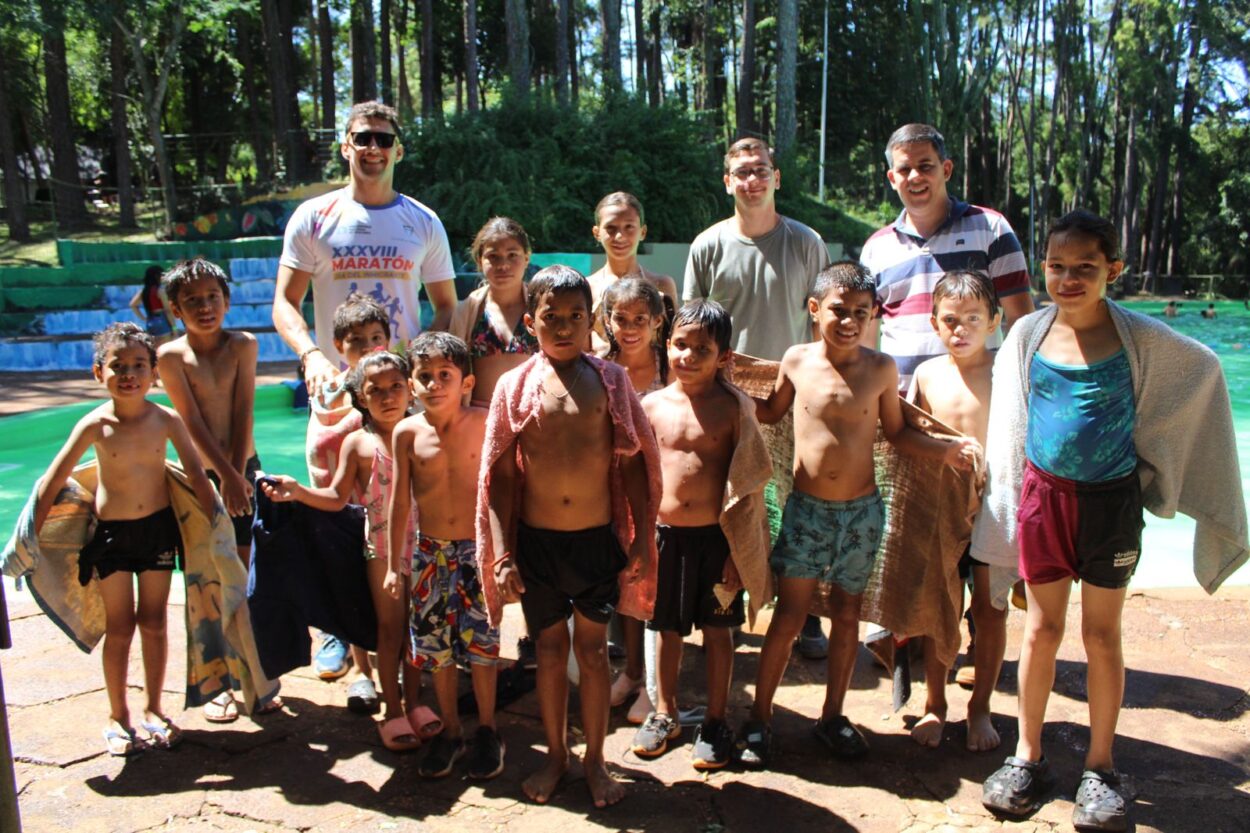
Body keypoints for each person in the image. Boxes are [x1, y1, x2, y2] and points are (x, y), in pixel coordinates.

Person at [976, 210, 1248, 831]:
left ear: (1113, 272)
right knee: (1041, 630)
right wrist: (1005, 507)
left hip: (1111, 508)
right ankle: (1028, 756)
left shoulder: (1140, 340)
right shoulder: (1027, 337)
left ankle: (1100, 767)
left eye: (1085, 269)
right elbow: (1011, 429)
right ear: (1042, 267)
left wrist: (1161, 464)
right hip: (1045, 502)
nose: (1068, 279)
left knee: (1102, 636)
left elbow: (1202, 369)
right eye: (1057, 267)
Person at [737, 262, 978, 769]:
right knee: (790, 614)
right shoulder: (797, 361)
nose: (849, 321)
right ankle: (760, 718)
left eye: (861, 314)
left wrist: (944, 451)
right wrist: (726, 391)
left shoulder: (881, 368)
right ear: (814, 309)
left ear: (874, 316)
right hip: (806, 513)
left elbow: (896, 433)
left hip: (863, 515)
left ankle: (833, 716)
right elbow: (771, 414)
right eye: (838, 311)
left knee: (848, 614)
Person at [477, 265, 661, 807]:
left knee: (594, 654)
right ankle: (557, 755)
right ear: (530, 322)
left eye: (575, 317)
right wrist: (502, 552)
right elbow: (499, 475)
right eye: (550, 317)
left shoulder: (610, 381)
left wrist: (643, 538)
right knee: (550, 653)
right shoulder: (516, 386)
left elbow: (633, 463)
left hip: (595, 544)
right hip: (538, 547)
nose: (563, 327)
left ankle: (596, 760)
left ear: (592, 321)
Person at [33, 323, 219, 756]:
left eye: (139, 365)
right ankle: (118, 716)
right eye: (119, 365)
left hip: (157, 533)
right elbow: (55, 479)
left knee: (153, 622)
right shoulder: (94, 424)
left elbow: (194, 473)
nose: (129, 373)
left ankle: (154, 708)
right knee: (120, 628)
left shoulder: (165, 419)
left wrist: (214, 528)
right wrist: (31, 538)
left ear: (154, 373)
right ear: (99, 372)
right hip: (111, 538)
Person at [684, 137, 833, 658]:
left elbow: (823, 324)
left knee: (798, 501)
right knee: (731, 500)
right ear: (727, 182)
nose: (752, 180)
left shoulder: (807, 242)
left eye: (761, 170)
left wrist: (818, 389)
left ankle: (806, 613)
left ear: (777, 178)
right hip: (727, 393)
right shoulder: (707, 245)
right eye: (741, 172)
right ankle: (726, 603)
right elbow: (692, 326)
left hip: (792, 392)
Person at [260, 350, 434, 752]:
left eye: (396, 387)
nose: (388, 397)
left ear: (410, 389)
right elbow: (338, 498)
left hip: (427, 545)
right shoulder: (358, 443)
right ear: (359, 397)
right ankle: (392, 710)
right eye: (376, 391)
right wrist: (299, 492)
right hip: (383, 551)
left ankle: (416, 702)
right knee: (391, 630)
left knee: (418, 630)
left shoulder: (424, 431)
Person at [631, 299, 772, 770]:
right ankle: (665, 714)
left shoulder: (734, 409)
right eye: (680, 345)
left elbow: (749, 484)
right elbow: (636, 475)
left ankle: (714, 721)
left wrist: (740, 552)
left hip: (717, 542)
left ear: (724, 356)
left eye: (702, 349)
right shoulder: (650, 406)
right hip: (666, 539)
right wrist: (638, 541)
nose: (688, 356)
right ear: (666, 344)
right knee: (665, 629)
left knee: (718, 631)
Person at [273, 99, 458, 395]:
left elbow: (447, 305)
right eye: (362, 139)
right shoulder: (312, 217)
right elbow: (284, 301)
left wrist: (420, 358)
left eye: (383, 140)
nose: (373, 148)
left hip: (402, 387)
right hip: (334, 385)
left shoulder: (425, 221)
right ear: (346, 147)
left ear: (398, 152)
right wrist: (311, 356)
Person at [157, 258, 273, 723]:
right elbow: (190, 423)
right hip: (198, 479)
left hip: (243, 471)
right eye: (191, 301)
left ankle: (255, 677)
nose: (204, 307)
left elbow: (244, 409)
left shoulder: (243, 344)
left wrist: (239, 473)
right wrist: (222, 474)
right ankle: (218, 684)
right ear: (174, 309)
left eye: (212, 297)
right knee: (205, 581)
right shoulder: (170, 357)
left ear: (226, 300)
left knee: (244, 577)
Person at [387, 332, 503, 779]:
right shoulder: (406, 432)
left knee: (483, 644)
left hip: (477, 552)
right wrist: (397, 564)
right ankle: (451, 731)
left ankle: (489, 730)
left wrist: (503, 552)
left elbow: (502, 488)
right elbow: (400, 502)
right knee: (434, 649)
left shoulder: (486, 421)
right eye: (425, 376)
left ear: (466, 382)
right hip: (428, 554)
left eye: (445, 375)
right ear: (412, 384)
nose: (435, 384)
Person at [905, 270, 1007, 751]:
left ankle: (980, 707)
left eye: (972, 319)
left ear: (994, 321)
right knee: (938, 610)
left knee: (989, 612)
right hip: (940, 510)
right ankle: (934, 704)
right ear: (933, 322)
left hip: (993, 511)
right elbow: (910, 441)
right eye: (950, 320)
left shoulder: (1008, 371)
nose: (960, 329)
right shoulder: (927, 374)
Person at [860, 123, 1034, 393]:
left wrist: (1016, 393)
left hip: (981, 404)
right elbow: (866, 344)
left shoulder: (991, 229)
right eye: (905, 169)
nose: (915, 176)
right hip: (903, 411)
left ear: (947, 169)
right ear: (892, 179)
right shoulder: (876, 249)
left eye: (926, 166)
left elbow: (1021, 322)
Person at [302, 294, 391, 690]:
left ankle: (398, 662)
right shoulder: (326, 395)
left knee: (393, 589)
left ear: (387, 340)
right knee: (353, 587)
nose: (368, 346)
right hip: (345, 506)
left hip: (389, 507)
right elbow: (317, 447)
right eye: (356, 340)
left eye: (376, 337)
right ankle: (362, 671)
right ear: (339, 346)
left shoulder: (398, 386)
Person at [599, 277, 671, 723]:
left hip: (665, 493)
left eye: (639, 320)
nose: (629, 328)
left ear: (658, 322)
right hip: (613, 491)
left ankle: (654, 686)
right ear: (606, 322)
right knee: (627, 581)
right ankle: (630, 672)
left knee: (657, 590)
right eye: (620, 319)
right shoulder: (600, 368)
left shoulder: (674, 365)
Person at [449, 217, 538, 408]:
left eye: (512, 255)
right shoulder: (467, 311)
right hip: (480, 419)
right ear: (480, 261)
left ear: (527, 258)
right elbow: (453, 368)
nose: (503, 265)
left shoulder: (541, 308)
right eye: (493, 256)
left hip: (533, 418)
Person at [587, 191, 678, 342]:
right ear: (596, 233)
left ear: (643, 232)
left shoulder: (662, 285)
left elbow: (674, 342)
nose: (619, 236)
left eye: (629, 227)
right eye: (611, 227)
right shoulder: (587, 288)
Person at [129, 265, 176, 343]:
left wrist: (144, 318)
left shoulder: (144, 291)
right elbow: (168, 311)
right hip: (162, 320)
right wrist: (174, 327)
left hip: (150, 320)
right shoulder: (160, 290)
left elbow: (133, 305)